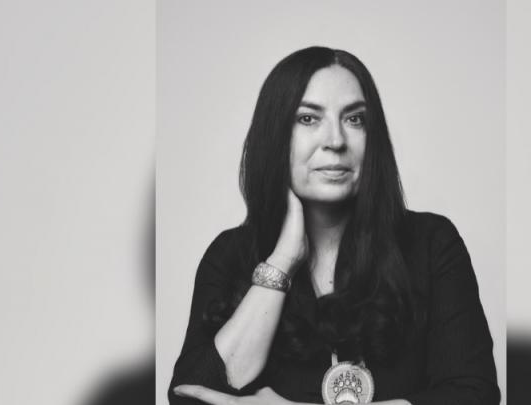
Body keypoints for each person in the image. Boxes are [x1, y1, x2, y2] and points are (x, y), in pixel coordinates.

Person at [168, 46, 499, 405]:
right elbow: (191, 397)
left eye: (355, 119)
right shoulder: (230, 255)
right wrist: (283, 259)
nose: (336, 141)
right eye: (308, 119)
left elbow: (475, 396)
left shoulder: (432, 243)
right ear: (276, 136)